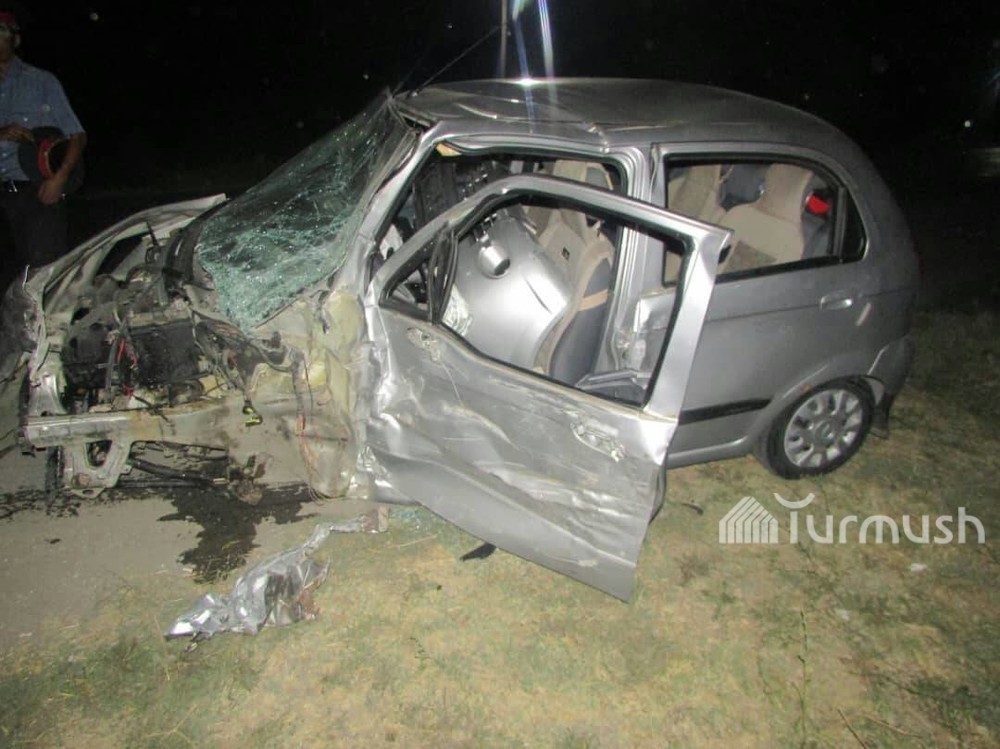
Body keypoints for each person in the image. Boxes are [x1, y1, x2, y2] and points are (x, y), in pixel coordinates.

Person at [0, 9, 85, 272]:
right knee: (14, 278)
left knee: (45, 272)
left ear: (15, 39)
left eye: (1, 32)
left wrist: (59, 179)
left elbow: (77, 135)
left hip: (36, 192)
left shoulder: (40, 81)